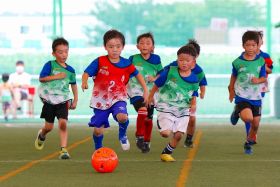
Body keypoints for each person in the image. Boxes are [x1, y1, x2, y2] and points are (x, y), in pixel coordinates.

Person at [81, 29, 148, 151]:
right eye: (111, 46)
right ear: (105, 47)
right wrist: (84, 81)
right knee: (97, 130)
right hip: (101, 100)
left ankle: (122, 135)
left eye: (118, 46)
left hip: (118, 98)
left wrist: (145, 90)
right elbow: (86, 73)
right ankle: (98, 149)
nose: (115, 49)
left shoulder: (126, 63)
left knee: (123, 117)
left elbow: (138, 75)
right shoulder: (100, 61)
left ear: (122, 47)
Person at [148, 45, 199, 162]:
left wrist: (194, 104)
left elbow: (194, 92)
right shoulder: (170, 72)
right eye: (181, 60)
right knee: (165, 133)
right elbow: (157, 84)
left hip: (183, 109)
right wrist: (150, 96)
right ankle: (162, 123)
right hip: (166, 106)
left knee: (179, 134)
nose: (184, 63)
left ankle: (167, 152)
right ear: (177, 60)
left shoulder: (194, 78)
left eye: (187, 60)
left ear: (193, 63)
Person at [34, 37, 78, 159]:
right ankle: (42, 134)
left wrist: (75, 100)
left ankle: (63, 150)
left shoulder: (71, 70)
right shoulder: (50, 65)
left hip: (63, 99)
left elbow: (73, 85)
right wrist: (56, 76)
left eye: (66, 51)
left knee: (63, 123)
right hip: (49, 99)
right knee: (49, 127)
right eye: (60, 52)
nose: (64, 54)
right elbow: (42, 78)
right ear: (54, 53)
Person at [228, 30, 266, 154]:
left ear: (257, 46)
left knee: (255, 125)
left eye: (253, 45)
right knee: (248, 118)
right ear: (243, 45)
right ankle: (238, 111)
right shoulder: (237, 62)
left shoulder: (261, 61)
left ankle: (248, 143)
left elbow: (264, 77)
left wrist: (258, 80)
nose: (250, 48)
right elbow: (233, 76)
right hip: (242, 95)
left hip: (256, 97)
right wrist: (231, 90)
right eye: (248, 45)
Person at [127, 32, 163, 153]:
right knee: (143, 110)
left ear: (152, 47)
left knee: (148, 118)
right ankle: (139, 136)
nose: (144, 45)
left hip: (151, 92)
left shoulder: (156, 59)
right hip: (136, 90)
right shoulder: (132, 59)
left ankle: (147, 141)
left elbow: (161, 73)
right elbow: (125, 72)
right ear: (137, 46)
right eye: (142, 43)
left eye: (148, 43)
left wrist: (154, 79)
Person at [242, 31, 273, 143]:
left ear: (261, 42)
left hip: (260, 86)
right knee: (247, 110)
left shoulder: (265, 56)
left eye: (258, 41)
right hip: (247, 86)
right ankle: (250, 135)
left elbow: (270, 70)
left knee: (255, 112)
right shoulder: (245, 55)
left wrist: (263, 67)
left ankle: (253, 133)